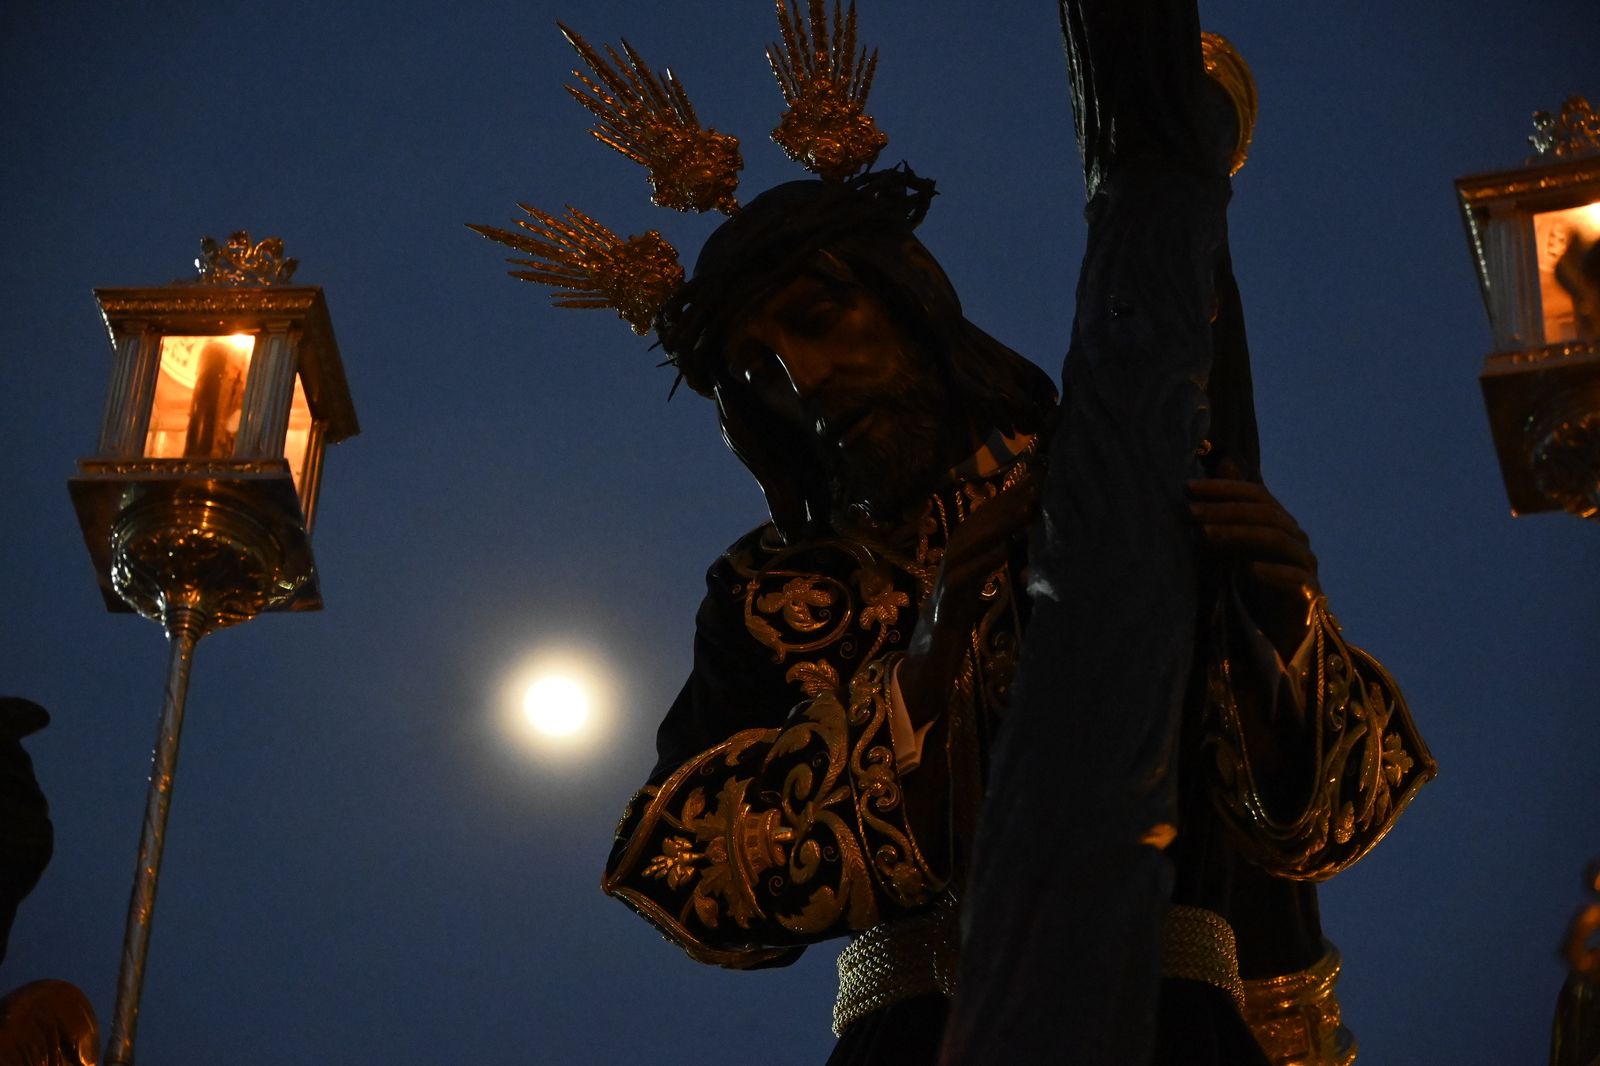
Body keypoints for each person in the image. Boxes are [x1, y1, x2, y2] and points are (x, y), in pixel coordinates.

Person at [597, 165, 1432, 1063]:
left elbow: (1319, 821)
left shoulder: (1130, 487)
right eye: (758, 371)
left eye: (816, 318)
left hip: (1167, 1029)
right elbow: (684, 869)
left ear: (908, 297)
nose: (804, 381)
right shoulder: (766, 590)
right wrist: (926, 657)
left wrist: (1281, 625)